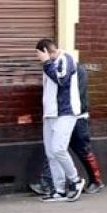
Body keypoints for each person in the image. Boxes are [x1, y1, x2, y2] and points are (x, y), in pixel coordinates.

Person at [33, 61, 105, 196]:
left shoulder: (76, 71)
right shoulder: (61, 70)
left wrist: (74, 112)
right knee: (56, 149)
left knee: (82, 149)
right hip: (62, 116)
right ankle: (48, 182)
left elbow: (78, 96)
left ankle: (96, 180)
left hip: (76, 117)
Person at [35, 38, 85, 203]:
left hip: (65, 112)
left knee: (58, 149)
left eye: (39, 54)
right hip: (50, 114)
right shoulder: (49, 63)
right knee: (51, 153)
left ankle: (76, 181)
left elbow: (61, 80)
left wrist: (47, 63)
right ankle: (59, 190)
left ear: (46, 52)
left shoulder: (66, 59)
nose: (38, 58)